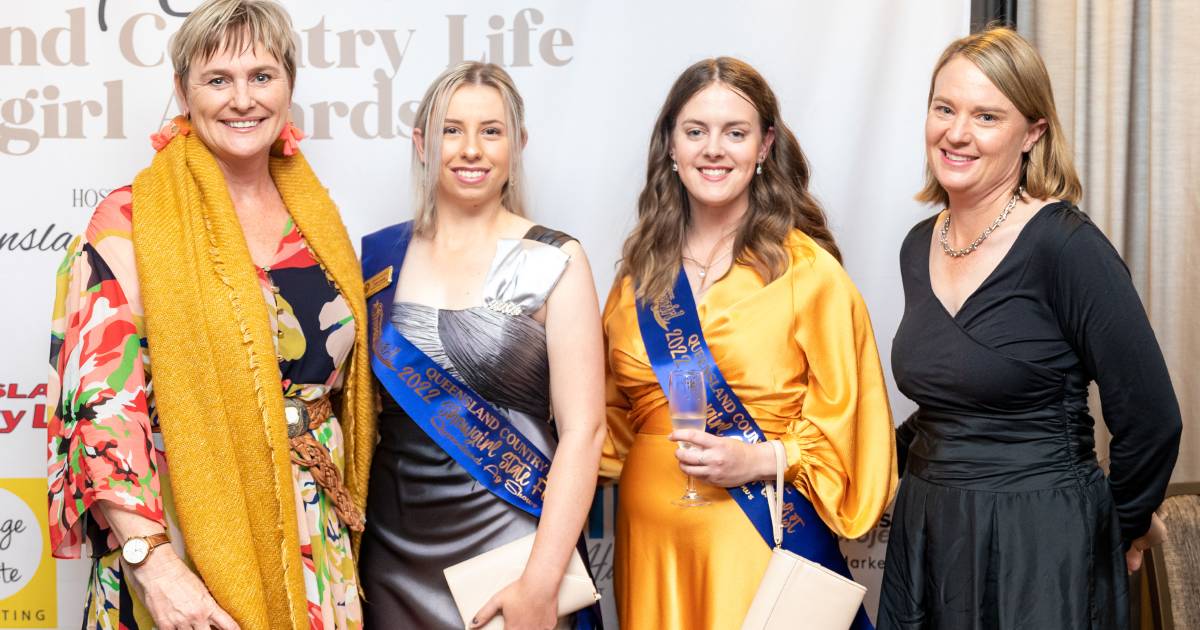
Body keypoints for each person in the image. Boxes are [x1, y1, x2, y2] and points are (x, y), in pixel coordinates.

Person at [45, 1, 375, 628]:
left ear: (289, 86)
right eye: (217, 79)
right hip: (182, 529)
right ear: (183, 91)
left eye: (262, 75)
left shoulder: (318, 218)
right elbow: (100, 405)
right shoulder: (131, 219)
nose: (242, 99)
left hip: (313, 534)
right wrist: (155, 564)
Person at [878, 27, 1182, 629]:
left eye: (986, 116)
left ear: (1032, 132)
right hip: (931, 534)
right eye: (945, 108)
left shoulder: (1066, 247)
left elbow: (1150, 417)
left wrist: (1109, 529)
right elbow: (953, 399)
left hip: (1042, 545)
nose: (957, 133)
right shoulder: (920, 245)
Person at [600, 57, 897, 630]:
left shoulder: (807, 273)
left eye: (734, 133)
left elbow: (855, 436)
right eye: (695, 131)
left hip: (757, 537)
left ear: (764, 147)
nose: (714, 149)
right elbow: (603, 425)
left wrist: (760, 458)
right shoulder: (636, 278)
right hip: (650, 545)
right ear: (670, 146)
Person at [358, 61, 606, 630]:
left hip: (514, 544)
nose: (471, 149)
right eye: (451, 129)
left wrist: (541, 584)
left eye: (491, 131)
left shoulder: (556, 258)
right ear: (422, 143)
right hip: (394, 548)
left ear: (517, 144)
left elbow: (585, 431)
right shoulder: (377, 259)